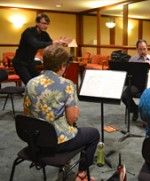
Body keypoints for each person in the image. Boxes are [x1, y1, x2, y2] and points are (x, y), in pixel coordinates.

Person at [23, 44, 99, 181]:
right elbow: (71, 119)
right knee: (93, 134)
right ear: (63, 65)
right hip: (56, 143)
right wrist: (75, 112)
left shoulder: (30, 83)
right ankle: (82, 173)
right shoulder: (67, 84)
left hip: (34, 140)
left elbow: (27, 112)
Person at [13, 13, 71, 85]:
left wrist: (61, 44)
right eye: (44, 23)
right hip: (20, 62)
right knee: (30, 84)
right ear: (37, 23)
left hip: (30, 62)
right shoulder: (28, 32)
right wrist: (54, 42)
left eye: (47, 24)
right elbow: (36, 44)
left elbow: (51, 45)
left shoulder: (44, 34)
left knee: (40, 82)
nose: (46, 26)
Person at [121, 39, 150, 121]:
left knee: (148, 98)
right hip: (136, 84)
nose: (143, 51)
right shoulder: (132, 60)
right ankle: (135, 109)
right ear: (137, 49)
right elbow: (128, 73)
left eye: (144, 49)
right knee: (124, 96)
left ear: (147, 48)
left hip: (149, 85)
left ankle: (148, 117)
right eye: (140, 49)